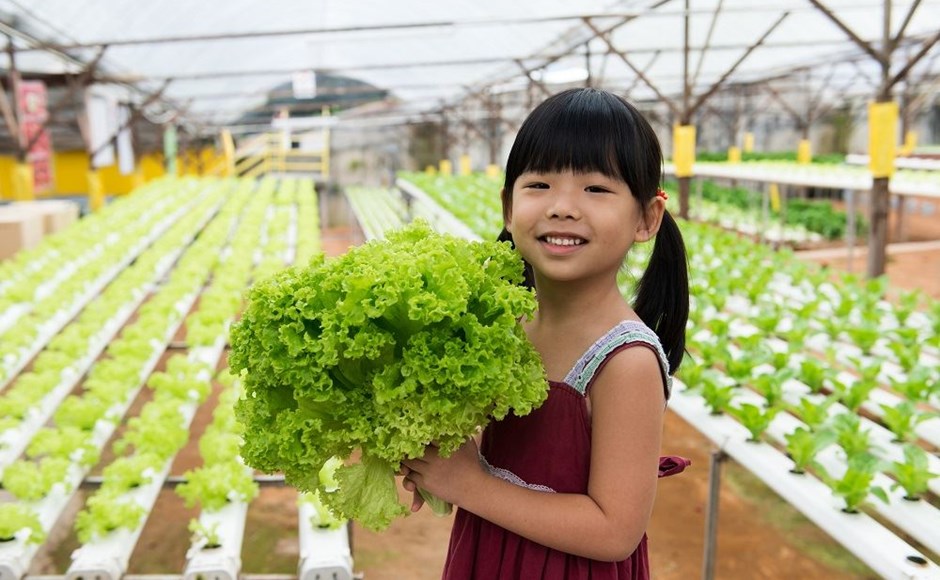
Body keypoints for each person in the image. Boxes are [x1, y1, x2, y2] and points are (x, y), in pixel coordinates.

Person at [400, 87, 690, 579]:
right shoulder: (506, 325)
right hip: (488, 551)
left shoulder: (626, 361)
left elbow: (615, 531)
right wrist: (425, 459)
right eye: (539, 185)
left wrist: (469, 485)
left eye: (596, 189)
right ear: (508, 209)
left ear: (647, 218)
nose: (562, 207)